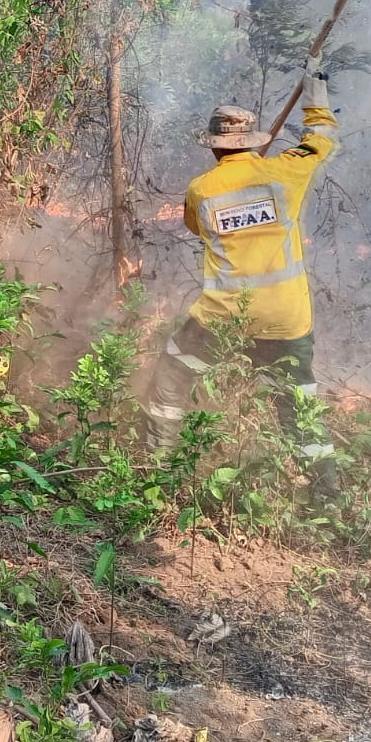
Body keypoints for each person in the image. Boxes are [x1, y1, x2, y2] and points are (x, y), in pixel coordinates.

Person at [144, 59, 339, 480]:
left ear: (214, 146)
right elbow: (321, 138)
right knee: (300, 409)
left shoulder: (202, 190)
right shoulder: (284, 173)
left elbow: (195, 226)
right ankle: (325, 493)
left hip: (223, 318)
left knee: (172, 377)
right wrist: (314, 94)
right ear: (252, 142)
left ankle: (156, 469)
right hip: (287, 321)